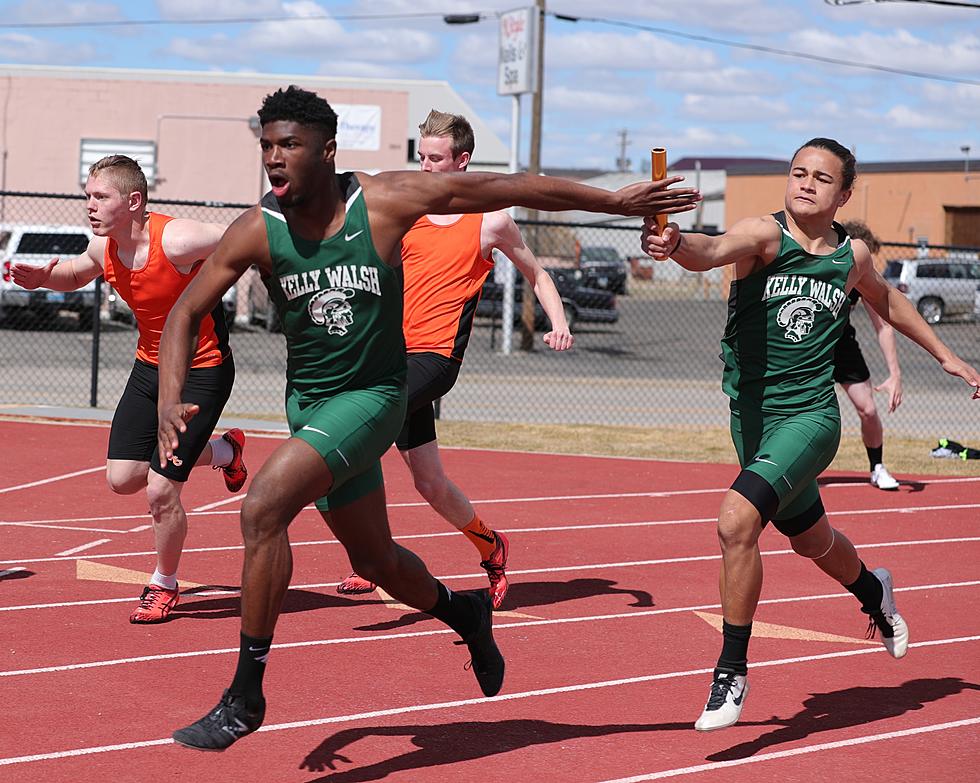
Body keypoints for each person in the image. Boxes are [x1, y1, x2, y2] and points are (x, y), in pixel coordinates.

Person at [156, 85, 699, 751]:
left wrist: (615, 201)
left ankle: (245, 693)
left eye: (288, 145)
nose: (274, 157)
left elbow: (511, 185)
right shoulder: (257, 228)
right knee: (378, 560)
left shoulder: (384, 201)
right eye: (266, 145)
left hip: (377, 395)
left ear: (326, 151)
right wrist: (168, 395)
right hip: (312, 406)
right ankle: (465, 610)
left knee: (262, 508)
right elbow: (184, 313)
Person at [641, 137, 980, 732]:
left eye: (821, 178)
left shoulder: (851, 256)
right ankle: (875, 592)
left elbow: (890, 300)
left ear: (844, 193)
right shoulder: (764, 235)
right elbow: (710, 248)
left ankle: (731, 671)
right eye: (798, 173)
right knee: (811, 541)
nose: (805, 183)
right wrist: (673, 244)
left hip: (811, 420)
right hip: (751, 419)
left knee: (735, 521)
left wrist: (947, 356)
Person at [336, 110, 574, 609]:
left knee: (357, 434)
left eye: (435, 159)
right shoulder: (407, 213)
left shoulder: (490, 221)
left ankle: (373, 558)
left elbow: (537, 274)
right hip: (389, 353)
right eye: (419, 157)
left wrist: (558, 321)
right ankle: (492, 546)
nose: (424, 167)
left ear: (462, 162)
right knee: (429, 483)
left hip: (436, 358)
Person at [10, 155, 248, 624]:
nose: (89, 206)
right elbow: (76, 272)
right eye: (87, 196)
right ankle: (224, 453)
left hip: (201, 369)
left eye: (100, 197)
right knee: (122, 479)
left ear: (134, 201)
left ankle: (163, 583)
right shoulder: (104, 249)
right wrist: (42, 279)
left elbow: (245, 237)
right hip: (149, 369)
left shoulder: (177, 240)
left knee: (161, 489)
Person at [836, 220, 901, 490]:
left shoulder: (862, 277)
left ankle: (877, 467)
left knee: (868, 409)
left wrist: (895, 374)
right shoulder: (820, 265)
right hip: (804, 346)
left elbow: (883, 326)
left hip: (841, 346)